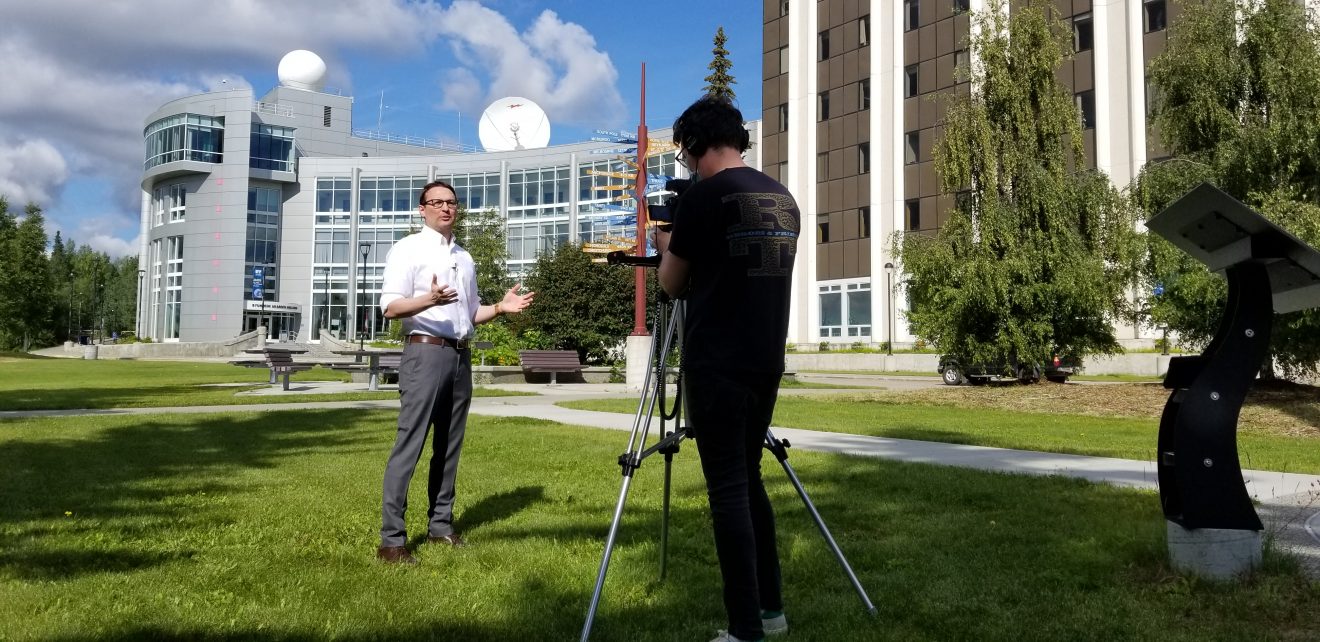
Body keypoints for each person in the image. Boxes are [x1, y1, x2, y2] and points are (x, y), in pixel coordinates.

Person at [655, 96, 800, 642]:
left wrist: (663, 239)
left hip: (716, 358)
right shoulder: (783, 197)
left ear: (692, 146)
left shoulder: (704, 197)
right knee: (750, 479)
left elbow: (672, 283)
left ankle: (744, 630)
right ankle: (770, 610)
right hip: (766, 356)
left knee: (728, 492)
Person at [375, 179, 534, 565]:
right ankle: (391, 541)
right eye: (437, 202)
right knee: (409, 445)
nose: (446, 208)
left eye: (451, 202)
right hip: (424, 354)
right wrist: (427, 300)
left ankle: (440, 527)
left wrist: (499, 307)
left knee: (449, 448)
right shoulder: (408, 249)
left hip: (459, 357)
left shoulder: (464, 258)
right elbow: (390, 307)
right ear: (422, 208)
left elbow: (469, 314)